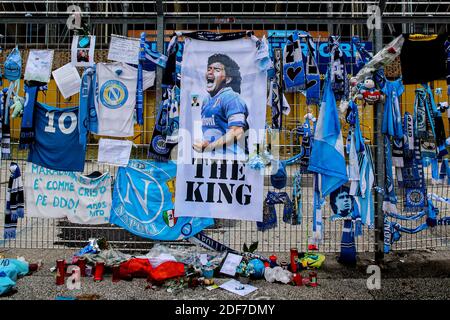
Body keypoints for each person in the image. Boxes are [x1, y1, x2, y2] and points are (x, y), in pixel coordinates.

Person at [192, 53, 249, 157]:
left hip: (233, 161)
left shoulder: (231, 97)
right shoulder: (206, 100)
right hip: (213, 160)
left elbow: (237, 131)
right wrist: (206, 144)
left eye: (217, 70)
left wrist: (209, 148)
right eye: (209, 69)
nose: (211, 72)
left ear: (227, 79)